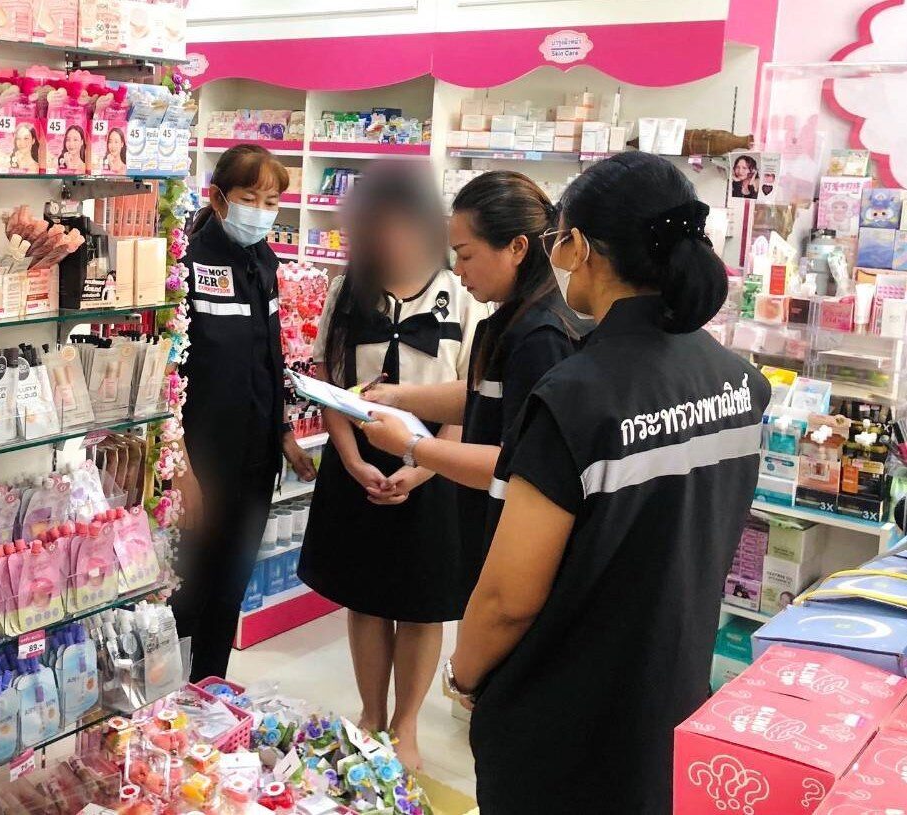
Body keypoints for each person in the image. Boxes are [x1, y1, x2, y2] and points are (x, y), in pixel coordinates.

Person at [364, 152, 769, 813]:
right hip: (670, 689)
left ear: (578, 246)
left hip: (566, 708)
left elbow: (508, 597)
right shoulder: (738, 383)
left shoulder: (579, 396)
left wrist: (465, 675)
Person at [297, 168, 484, 772]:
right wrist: (352, 461)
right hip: (358, 460)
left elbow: (471, 396)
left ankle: (406, 725)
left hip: (437, 466)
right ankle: (372, 714)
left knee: (423, 603)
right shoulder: (347, 292)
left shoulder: (462, 295)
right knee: (367, 595)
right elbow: (329, 383)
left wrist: (424, 469)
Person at [361, 171, 588, 604]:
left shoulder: (541, 337)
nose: (457, 270)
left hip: (519, 552)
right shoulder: (514, 318)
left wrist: (411, 446)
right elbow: (483, 397)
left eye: (466, 255)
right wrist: (396, 396)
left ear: (517, 248)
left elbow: (517, 464)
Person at [171, 144, 316, 682]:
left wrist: (285, 434)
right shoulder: (188, 264)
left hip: (255, 455)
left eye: (271, 201)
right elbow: (170, 377)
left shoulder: (264, 262)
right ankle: (169, 700)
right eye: (249, 197)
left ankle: (209, 690)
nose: (261, 210)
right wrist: (180, 468)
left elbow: (268, 355)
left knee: (230, 585)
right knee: (189, 587)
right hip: (204, 458)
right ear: (219, 199)